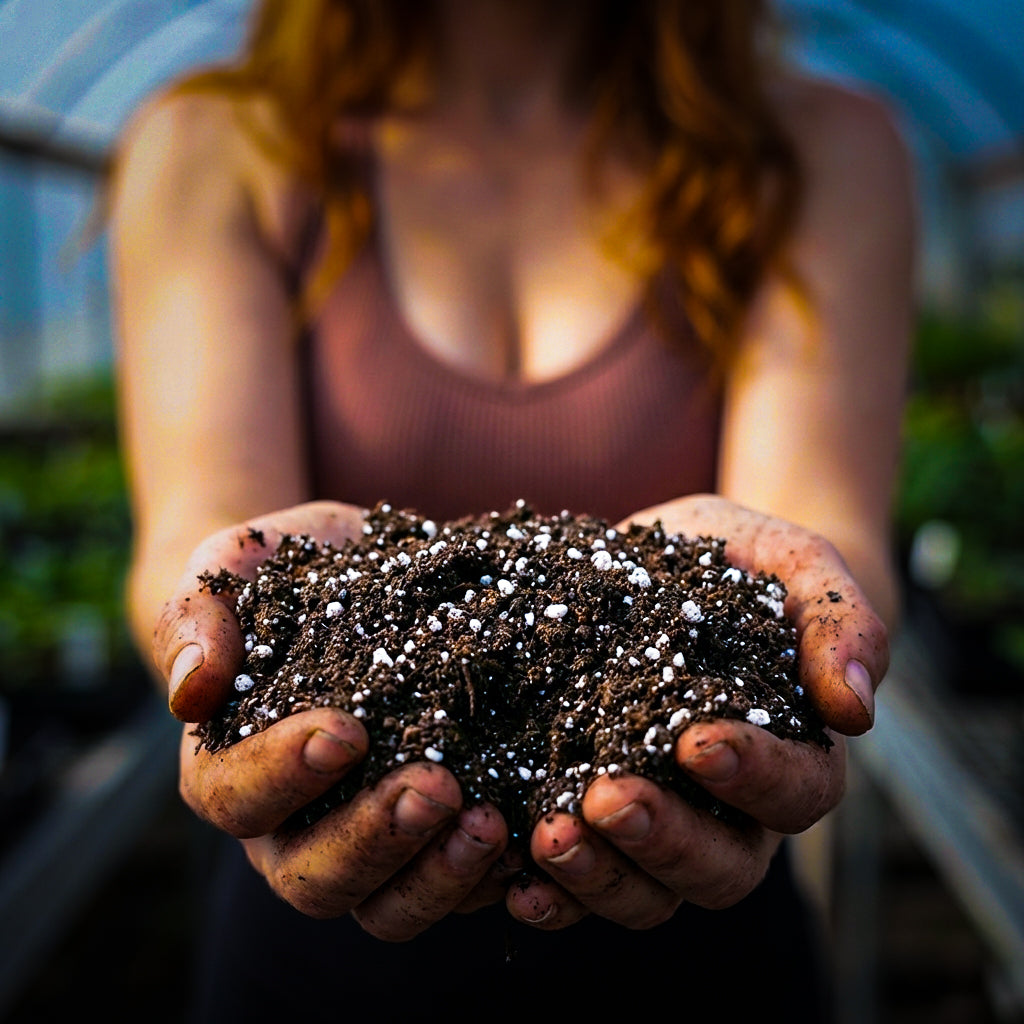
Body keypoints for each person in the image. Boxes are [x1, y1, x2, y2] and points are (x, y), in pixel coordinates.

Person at [108, 0, 913, 1019]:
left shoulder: (819, 146)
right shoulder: (216, 145)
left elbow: (823, 530)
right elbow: (200, 532)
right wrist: (216, 629)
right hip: (320, 939)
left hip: (698, 935)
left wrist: (805, 621)